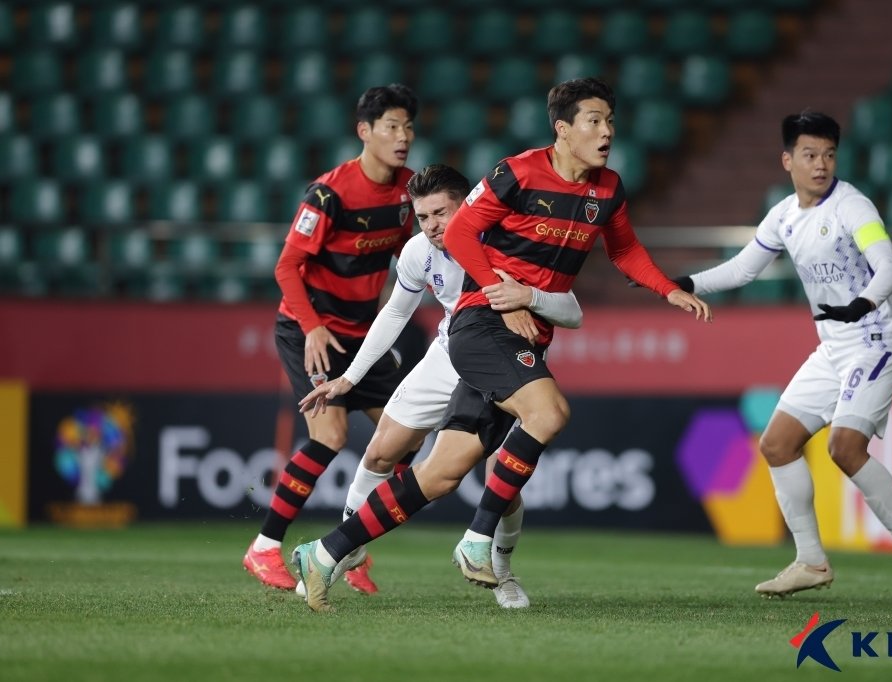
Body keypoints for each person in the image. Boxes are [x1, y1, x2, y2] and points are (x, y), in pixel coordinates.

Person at [291, 77, 712, 612]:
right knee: (549, 412)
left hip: (523, 339)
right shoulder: (517, 172)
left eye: (610, 120)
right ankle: (477, 541)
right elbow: (464, 232)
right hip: (480, 326)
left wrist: (669, 289)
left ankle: (326, 553)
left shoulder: (608, 189)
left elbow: (625, 250)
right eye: (594, 120)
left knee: (440, 475)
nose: (606, 131)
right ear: (562, 129)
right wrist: (506, 298)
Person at [673, 111, 892, 607]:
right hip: (834, 348)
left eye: (829, 155)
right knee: (776, 444)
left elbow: (890, 268)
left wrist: (860, 304)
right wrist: (683, 283)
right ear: (787, 160)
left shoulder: (853, 206)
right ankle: (811, 561)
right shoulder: (785, 215)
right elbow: (743, 270)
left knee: (844, 448)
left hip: (876, 339)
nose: (821, 165)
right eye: (811, 155)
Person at [299, 163, 584, 607]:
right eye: (424, 216)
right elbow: (395, 312)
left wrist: (528, 298)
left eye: (441, 213)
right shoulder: (418, 252)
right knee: (380, 450)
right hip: (450, 349)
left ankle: (502, 570)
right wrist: (349, 378)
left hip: (497, 355)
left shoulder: (505, 240)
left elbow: (572, 309)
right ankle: (341, 552)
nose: (432, 226)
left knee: (498, 482)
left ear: (468, 205)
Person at [242, 83, 419, 593]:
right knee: (331, 437)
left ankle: (351, 547)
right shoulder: (330, 193)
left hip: (363, 337)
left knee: (403, 439)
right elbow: (286, 266)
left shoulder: (409, 192)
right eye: (391, 126)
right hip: (310, 331)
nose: (402, 136)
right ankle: (264, 548)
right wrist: (312, 325)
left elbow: (412, 258)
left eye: (408, 127)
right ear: (364, 132)